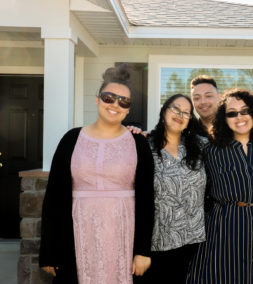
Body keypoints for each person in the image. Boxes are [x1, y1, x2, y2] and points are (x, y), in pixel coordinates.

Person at [39, 65, 155, 284]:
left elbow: (147, 200)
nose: (115, 105)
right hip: (76, 232)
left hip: (123, 234)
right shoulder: (71, 139)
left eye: (124, 101)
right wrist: (48, 251)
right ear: (97, 100)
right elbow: (53, 197)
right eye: (109, 97)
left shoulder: (138, 142)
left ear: (128, 109)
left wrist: (142, 251)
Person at [187, 88, 253, 284]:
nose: (239, 117)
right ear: (224, 118)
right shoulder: (211, 150)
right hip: (224, 229)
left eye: (245, 111)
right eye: (232, 113)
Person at [133, 94, 207, 284]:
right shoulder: (143, 145)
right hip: (156, 242)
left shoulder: (200, 146)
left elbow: (232, 142)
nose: (180, 114)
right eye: (175, 108)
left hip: (193, 242)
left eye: (186, 112)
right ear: (164, 111)